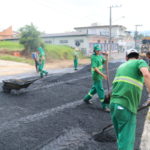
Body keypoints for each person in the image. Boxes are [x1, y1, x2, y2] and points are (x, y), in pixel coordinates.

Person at [110, 49, 150, 150]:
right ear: (137, 57)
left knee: (121, 138)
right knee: (127, 142)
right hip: (126, 105)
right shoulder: (140, 62)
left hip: (113, 104)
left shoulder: (121, 66)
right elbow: (146, 74)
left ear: (126, 58)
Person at [83, 44, 109, 112]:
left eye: (99, 50)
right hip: (96, 76)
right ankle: (104, 106)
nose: (98, 51)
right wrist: (103, 75)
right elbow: (95, 68)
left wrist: (106, 56)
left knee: (94, 89)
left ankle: (86, 98)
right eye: (97, 50)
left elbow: (105, 61)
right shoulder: (93, 57)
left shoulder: (100, 56)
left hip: (99, 76)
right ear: (94, 50)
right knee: (100, 90)